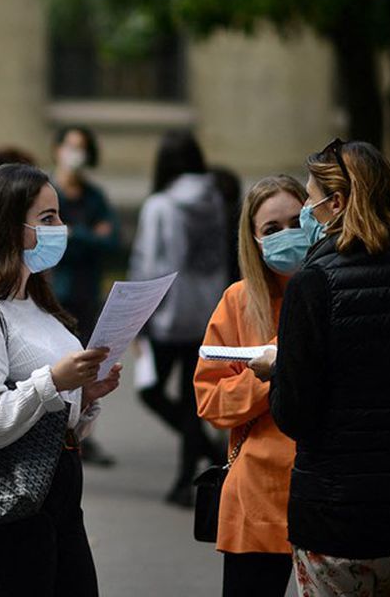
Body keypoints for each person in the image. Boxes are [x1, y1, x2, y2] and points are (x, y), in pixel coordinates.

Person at [254, 140, 390, 597]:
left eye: (311, 204)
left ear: (336, 204)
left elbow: (295, 414)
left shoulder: (313, 284)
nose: (308, 217)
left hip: (336, 522)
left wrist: (280, 368)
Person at [0, 163, 123, 597]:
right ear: (6, 227)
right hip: (4, 512)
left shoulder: (36, 304)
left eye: (59, 216)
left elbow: (56, 423)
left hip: (56, 501)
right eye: (48, 218)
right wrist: (52, 382)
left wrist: (84, 396)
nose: (62, 229)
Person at [194, 175, 307, 597]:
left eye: (297, 222)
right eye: (272, 229)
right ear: (254, 240)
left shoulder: (338, 294)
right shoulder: (238, 302)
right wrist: (268, 373)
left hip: (331, 492)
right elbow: (210, 401)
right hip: (260, 497)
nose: (287, 236)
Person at [130, 130, 228, 506]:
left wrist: (141, 315)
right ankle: (195, 469)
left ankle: (205, 460)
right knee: (191, 399)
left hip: (168, 314)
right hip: (207, 312)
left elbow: (151, 264)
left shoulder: (160, 205)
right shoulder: (215, 199)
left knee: (151, 391)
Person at [51, 126, 121, 468]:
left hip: (86, 291)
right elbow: (48, 241)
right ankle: (52, 430)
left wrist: (73, 234)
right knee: (53, 364)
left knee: (87, 367)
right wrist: (89, 235)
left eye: (82, 147)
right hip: (54, 293)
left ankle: (81, 434)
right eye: (70, 145)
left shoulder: (95, 196)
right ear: (57, 149)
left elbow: (112, 241)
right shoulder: (49, 193)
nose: (75, 153)